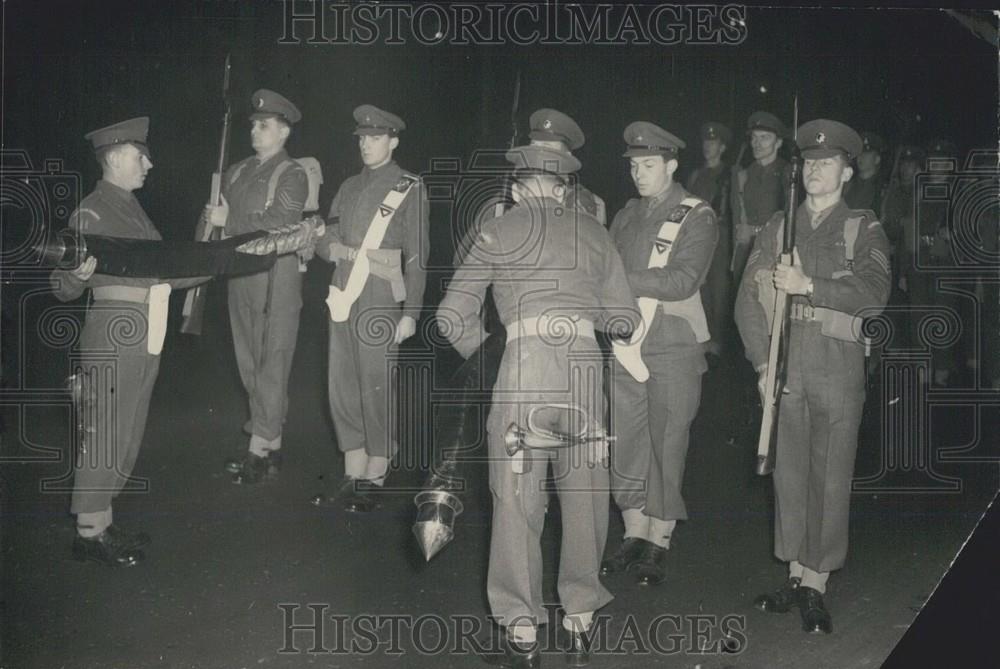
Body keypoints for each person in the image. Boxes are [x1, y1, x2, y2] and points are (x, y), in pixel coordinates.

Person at [438, 143, 636, 668]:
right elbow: (625, 319)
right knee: (586, 493)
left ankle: (522, 630)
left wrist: (493, 358)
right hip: (582, 371)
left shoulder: (499, 229)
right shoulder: (595, 232)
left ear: (522, 187)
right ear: (565, 188)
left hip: (522, 371)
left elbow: (451, 317)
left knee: (516, 496)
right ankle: (580, 620)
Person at [735, 119, 891, 634]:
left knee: (829, 475)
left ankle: (817, 584)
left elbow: (874, 291)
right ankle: (796, 572)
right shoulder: (780, 225)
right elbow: (746, 302)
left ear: (846, 172)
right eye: (809, 163)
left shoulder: (862, 227)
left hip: (837, 363)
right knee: (789, 472)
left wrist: (810, 285)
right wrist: (762, 363)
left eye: (827, 163)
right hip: (785, 363)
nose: (815, 171)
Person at [50, 117, 205, 566]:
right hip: (115, 332)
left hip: (144, 328)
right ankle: (89, 532)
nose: (150, 164)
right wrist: (73, 276)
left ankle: (104, 518)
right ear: (116, 158)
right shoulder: (94, 211)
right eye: (142, 156)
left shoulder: (131, 208)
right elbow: (61, 284)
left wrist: (219, 260)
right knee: (106, 433)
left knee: (128, 428)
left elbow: (161, 268)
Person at [601, 122, 718, 587]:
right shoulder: (626, 215)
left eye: (649, 165)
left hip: (672, 341)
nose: (639, 174)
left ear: (671, 165)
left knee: (667, 440)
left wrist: (619, 279)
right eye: (633, 165)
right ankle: (633, 534)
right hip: (626, 340)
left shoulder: (697, 215)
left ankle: (659, 539)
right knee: (626, 439)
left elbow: (681, 280)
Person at [315, 105, 428, 512]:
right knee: (341, 384)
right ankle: (353, 468)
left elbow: (418, 255)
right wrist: (328, 246)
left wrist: (411, 312)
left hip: (380, 295)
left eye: (375, 137)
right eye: (362, 138)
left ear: (393, 141)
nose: (366, 144)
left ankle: (377, 468)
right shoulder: (347, 186)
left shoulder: (409, 186)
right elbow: (326, 231)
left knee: (375, 384)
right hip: (343, 291)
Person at [205, 89, 309, 484]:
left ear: (283, 132)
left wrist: (229, 223)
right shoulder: (236, 171)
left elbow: (279, 223)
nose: (254, 130)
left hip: (275, 279)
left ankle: (258, 448)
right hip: (241, 278)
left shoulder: (292, 174)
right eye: (252, 124)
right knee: (249, 362)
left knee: (272, 361)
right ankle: (272, 442)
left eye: (263, 125)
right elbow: (218, 221)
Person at [686, 121, 733, 357]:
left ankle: (718, 340)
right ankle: (701, 336)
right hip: (696, 236)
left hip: (720, 236)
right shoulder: (696, 174)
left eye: (713, 142)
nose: (708, 146)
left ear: (722, 147)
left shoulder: (730, 174)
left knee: (719, 288)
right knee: (698, 286)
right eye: (706, 141)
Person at [730, 111, 790, 285]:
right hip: (746, 252)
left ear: (778, 143)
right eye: (754, 138)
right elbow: (737, 219)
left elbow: (790, 220)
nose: (757, 143)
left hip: (774, 252)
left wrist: (755, 231)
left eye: (764, 138)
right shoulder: (743, 175)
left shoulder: (788, 175)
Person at [844, 132, 886, 210]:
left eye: (867, 153)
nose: (861, 156)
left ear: (877, 159)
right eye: (860, 152)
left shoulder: (882, 190)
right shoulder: (847, 184)